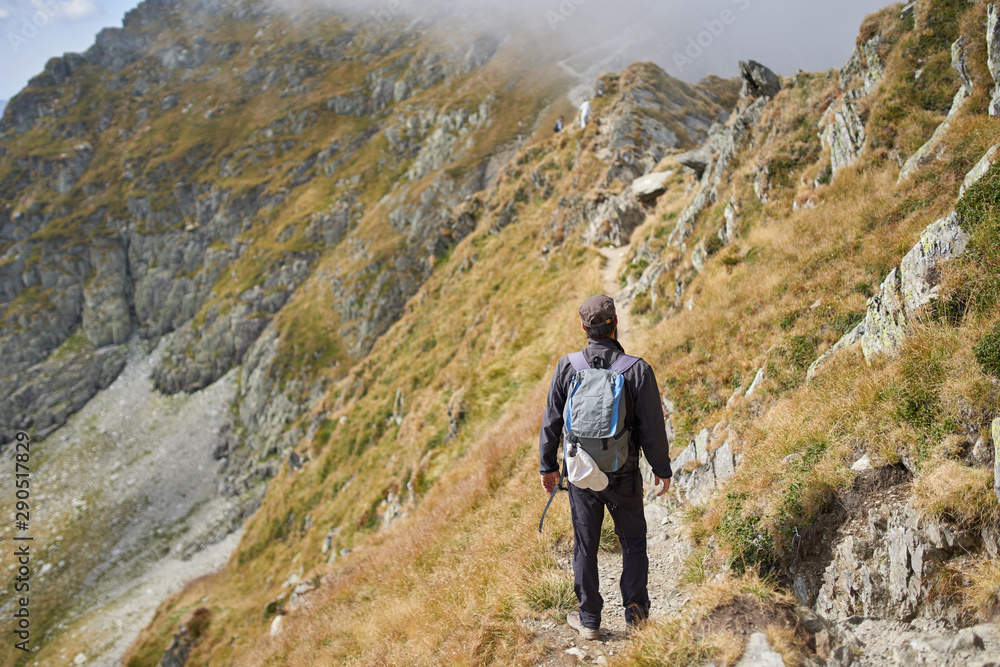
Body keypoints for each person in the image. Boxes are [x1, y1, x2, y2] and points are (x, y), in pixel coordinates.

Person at [539, 295, 672, 640]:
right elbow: (652, 428)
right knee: (633, 544)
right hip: (624, 473)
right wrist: (661, 468)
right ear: (615, 323)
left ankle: (589, 620)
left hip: (582, 474)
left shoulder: (567, 366)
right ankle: (637, 620)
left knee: (586, 545)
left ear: (583, 327)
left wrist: (547, 467)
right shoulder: (636, 368)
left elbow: (552, 421)